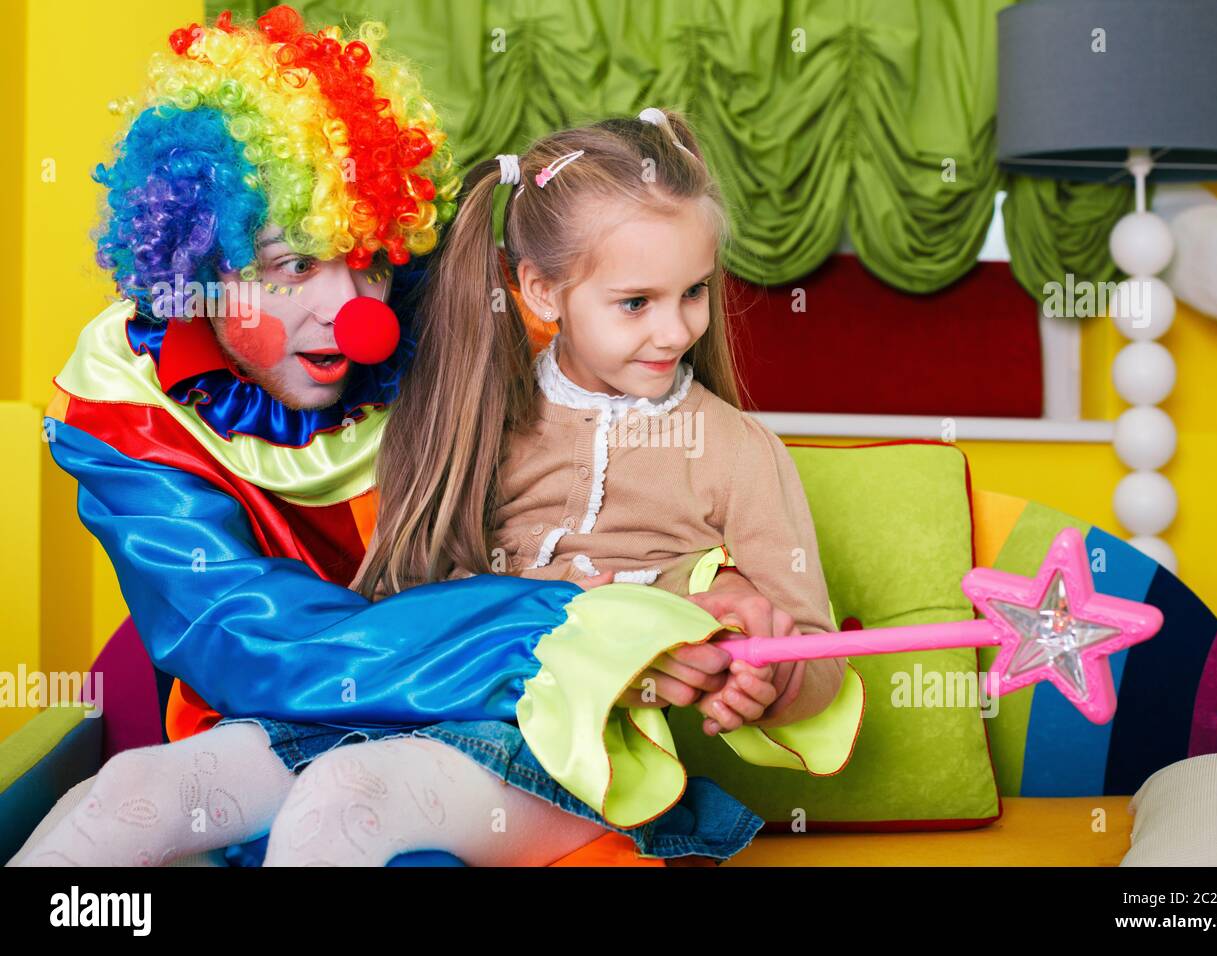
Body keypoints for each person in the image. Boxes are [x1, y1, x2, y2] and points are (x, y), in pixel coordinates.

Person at [12, 8, 828, 868]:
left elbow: (795, 637)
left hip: (550, 749)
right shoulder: (129, 406)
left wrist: (740, 631)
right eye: (297, 264)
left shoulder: (477, 361)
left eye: (368, 258)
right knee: (121, 799)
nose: (357, 313)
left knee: (340, 808)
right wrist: (585, 623)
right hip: (340, 712)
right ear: (203, 272)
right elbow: (259, 635)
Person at [233, 107, 866, 866]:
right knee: (155, 791)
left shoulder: (739, 451)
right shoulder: (471, 421)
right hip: (421, 714)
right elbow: (400, 606)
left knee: (342, 798)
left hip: (585, 773)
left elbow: (815, 644)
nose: (675, 331)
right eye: (636, 303)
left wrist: (778, 676)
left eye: (694, 291)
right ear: (539, 290)